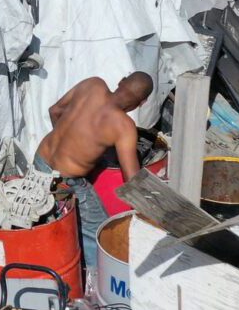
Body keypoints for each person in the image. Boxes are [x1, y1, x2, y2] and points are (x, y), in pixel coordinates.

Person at [33, 72, 154, 281]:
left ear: (121, 81)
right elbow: (131, 180)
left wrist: (71, 143)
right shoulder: (123, 126)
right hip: (66, 181)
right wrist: (154, 208)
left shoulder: (92, 84)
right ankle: (95, 282)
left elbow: (55, 110)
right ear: (142, 103)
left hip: (40, 161)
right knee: (100, 233)